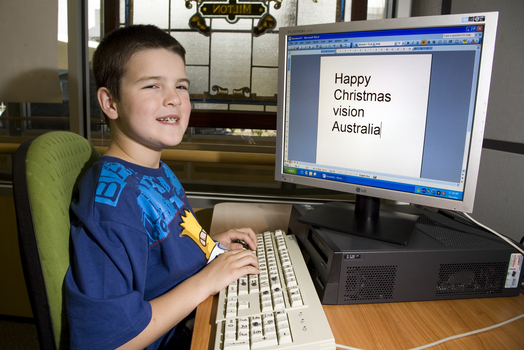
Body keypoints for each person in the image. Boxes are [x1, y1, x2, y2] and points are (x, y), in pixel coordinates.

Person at [65, 24, 259, 350]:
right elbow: (107, 343)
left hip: (189, 316)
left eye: (181, 86)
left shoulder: (155, 169)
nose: (173, 99)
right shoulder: (110, 205)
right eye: (153, 85)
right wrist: (207, 280)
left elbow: (160, 248)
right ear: (110, 103)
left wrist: (206, 246)